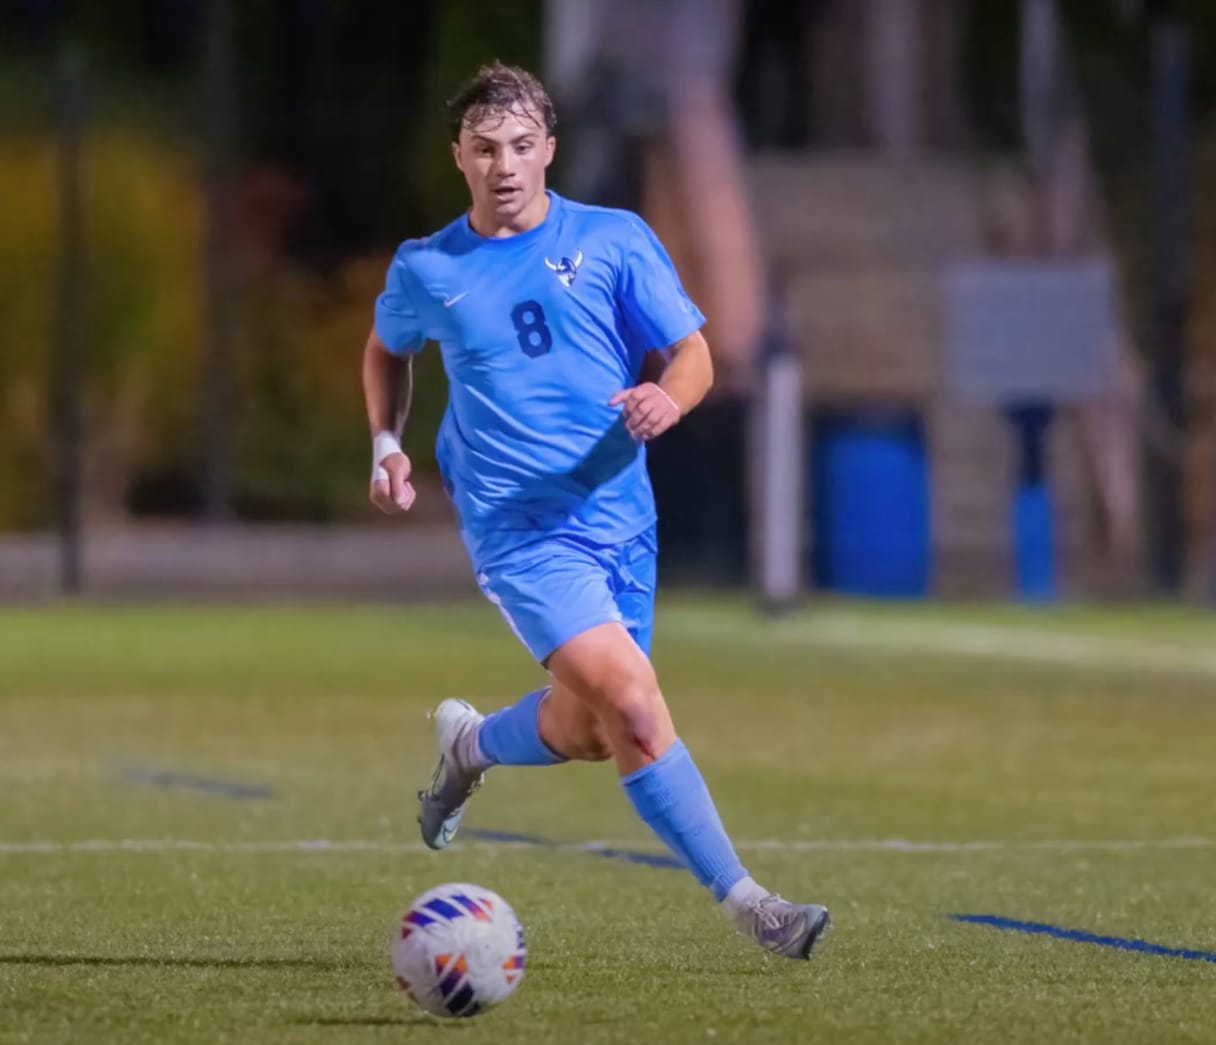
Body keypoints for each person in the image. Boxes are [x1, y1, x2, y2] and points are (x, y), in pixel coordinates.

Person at [361, 61, 829, 960]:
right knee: (635, 705)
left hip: (622, 520)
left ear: (550, 152)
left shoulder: (614, 240)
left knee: (586, 727)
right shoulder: (427, 265)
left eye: (523, 146)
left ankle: (472, 746)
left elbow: (689, 354)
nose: (505, 164)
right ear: (458, 154)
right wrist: (388, 444)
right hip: (521, 534)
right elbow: (388, 351)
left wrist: (671, 400)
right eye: (487, 147)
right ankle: (751, 902)